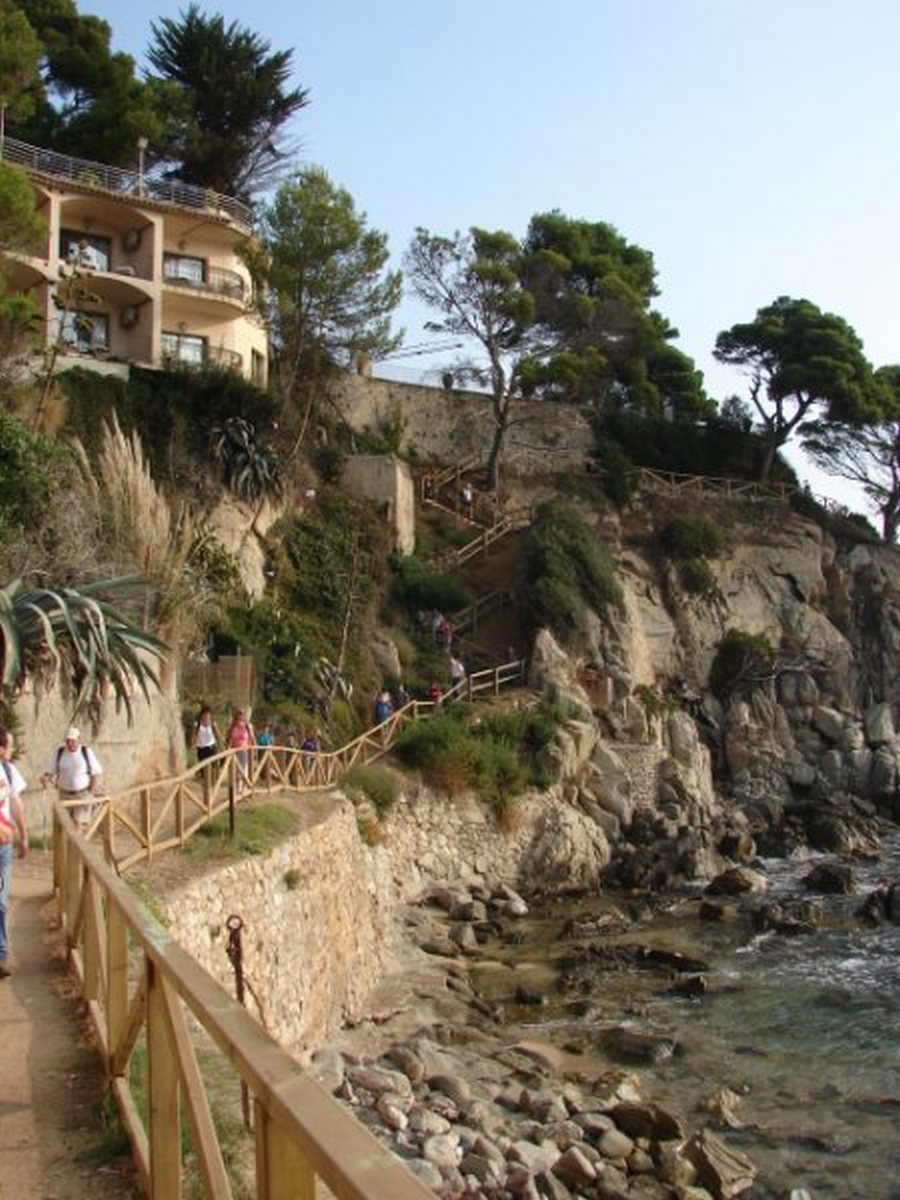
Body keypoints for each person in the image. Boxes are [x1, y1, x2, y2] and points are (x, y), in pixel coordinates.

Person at [0, 727, 28, 980]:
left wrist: (24, 835)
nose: (12, 749)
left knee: (0, 900)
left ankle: (0, 956)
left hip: (3, 849)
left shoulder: (8, 771)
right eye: (9, 745)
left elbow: (16, 803)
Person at [42, 726, 102, 829]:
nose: (70, 744)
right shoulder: (60, 752)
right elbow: (51, 770)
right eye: (68, 741)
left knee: (78, 824)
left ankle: (78, 839)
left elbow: (95, 773)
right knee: (66, 826)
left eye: (73, 741)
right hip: (64, 794)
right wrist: (45, 778)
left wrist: (90, 794)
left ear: (79, 739)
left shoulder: (86, 752)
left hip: (82, 795)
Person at [226, 709, 255, 782]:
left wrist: (253, 748)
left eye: (241, 718)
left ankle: (242, 786)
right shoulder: (233, 727)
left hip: (244, 750)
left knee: (243, 769)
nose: (240, 720)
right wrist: (228, 749)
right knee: (235, 770)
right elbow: (230, 739)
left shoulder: (247, 727)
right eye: (238, 718)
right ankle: (236, 786)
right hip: (234, 751)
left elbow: (252, 738)